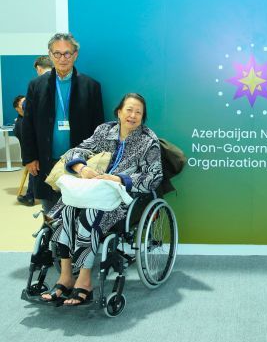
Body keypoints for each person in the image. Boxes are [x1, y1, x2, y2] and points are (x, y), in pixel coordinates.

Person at [41, 93, 163, 305]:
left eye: (138, 112)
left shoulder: (148, 141)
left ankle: (85, 280)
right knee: (67, 211)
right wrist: (82, 167)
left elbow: (154, 177)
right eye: (129, 110)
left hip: (123, 197)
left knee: (89, 215)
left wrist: (117, 178)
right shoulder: (104, 131)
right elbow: (75, 151)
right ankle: (66, 276)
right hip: (94, 189)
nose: (133, 115)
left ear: (143, 117)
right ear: (119, 111)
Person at [22, 33, 104, 214]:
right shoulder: (36, 85)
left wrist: (93, 160)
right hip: (45, 160)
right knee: (50, 212)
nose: (62, 58)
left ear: (75, 55)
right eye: (57, 53)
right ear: (50, 55)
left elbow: (99, 128)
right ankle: (52, 243)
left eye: (67, 53)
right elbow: (27, 124)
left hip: (79, 163)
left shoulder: (91, 86)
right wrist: (29, 157)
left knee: (77, 212)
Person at [12, 95, 35, 206]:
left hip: (38, 152)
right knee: (34, 172)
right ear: (18, 109)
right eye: (23, 104)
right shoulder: (20, 124)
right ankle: (30, 196)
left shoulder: (28, 118)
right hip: (31, 154)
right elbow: (27, 143)